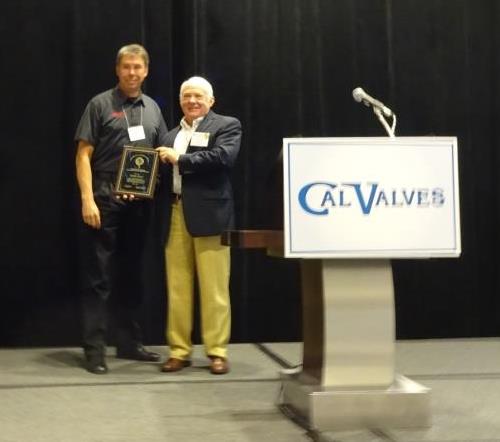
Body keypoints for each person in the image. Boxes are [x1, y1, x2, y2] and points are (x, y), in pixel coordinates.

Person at [75, 43, 168, 374]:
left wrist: (151, 184)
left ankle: (129, 343)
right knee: (98, 278)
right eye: (126, 66)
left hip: (140, 203)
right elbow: (83, 154)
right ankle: (95, 350)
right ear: (117, 70)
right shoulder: (100, 104)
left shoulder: (153, 108)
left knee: (132, 275)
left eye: (137, 67)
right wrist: (87, 199)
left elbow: (160, 152)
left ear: (146, 71)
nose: (132, 72)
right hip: (104, 199)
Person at [156, 76, 242, 375]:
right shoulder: (170, 136)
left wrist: (180, 159)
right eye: (187, 96)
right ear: (180, 101)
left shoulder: (226, 125)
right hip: (174, 212)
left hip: (211, 215)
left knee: (214, 288)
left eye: (198, 96)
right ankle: (179, 351)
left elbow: (223, 157)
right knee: (177, 287)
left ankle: (217, 352)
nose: (192, 101)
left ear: (210, 101)